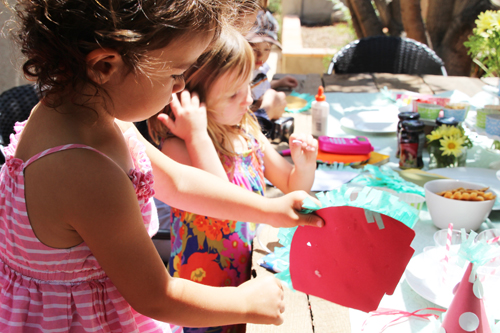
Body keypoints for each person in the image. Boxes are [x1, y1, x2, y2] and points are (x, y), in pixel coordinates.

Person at [0, 1, 325, 332]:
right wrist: (246, 303)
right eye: (175, 72)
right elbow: (157, 296)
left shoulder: (91, 116)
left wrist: (271, 209)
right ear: (104, 67)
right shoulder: (82, 170)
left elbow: (178, 182)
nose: (182, 85)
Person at [147, 27, 318, 333]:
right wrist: (197, 134)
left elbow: (293, 188)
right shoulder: (178, 146)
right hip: (204, 287)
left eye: (248, 86)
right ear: (191, 99)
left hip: (246, 267)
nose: (248, 100)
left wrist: (304, 166)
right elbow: (218, 201)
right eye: (233, 94)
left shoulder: (247, 131)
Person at [245, 7, 298, 116]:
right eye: (254, 49)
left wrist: (278, 83)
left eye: (267, 49)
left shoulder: (259, 69)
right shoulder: (243, 76)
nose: (261, 56)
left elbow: (259, 87)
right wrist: (262, 108)